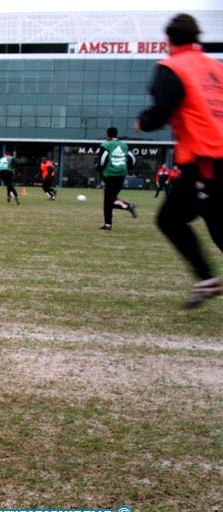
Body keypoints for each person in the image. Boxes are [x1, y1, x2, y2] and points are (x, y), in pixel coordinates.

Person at [136, 13, 223, 307]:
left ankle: (207, 280)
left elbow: (163, 108)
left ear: (169, 41)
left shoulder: (171, 67)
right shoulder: (216, 68)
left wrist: (144, 122)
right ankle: (207, 280)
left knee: (170, 219)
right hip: (216, 155)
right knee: (216, 222)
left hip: (205, 158)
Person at [96, 127, 138, 230]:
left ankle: (127, 207)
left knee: (108, 201)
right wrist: (126, 168)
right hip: (121, 174)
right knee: (111, 199)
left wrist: (98, 168)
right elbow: (132, 159)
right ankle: (108, 224)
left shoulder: (105, 145)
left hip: (110, 175)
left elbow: (102, 160)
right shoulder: (124, 145)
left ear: (108, 135)